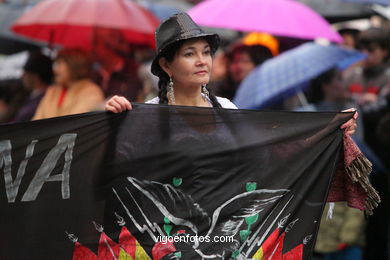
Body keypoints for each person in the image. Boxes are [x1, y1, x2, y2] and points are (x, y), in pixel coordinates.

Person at [105, 13, 357, 135]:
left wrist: (329, 128)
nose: (202, 61)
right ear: (167, 65)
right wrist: (114, 122)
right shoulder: (147, 115)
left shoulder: (225, 108)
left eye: (206, 52)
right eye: (190, 54)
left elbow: (269, 149)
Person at [33, 48, 104, 120]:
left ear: (73, 65)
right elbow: (36, 122)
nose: (55, 69)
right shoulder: (52, 91)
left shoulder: (92, 92)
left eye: (59, 64)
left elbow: (76, 122)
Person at [14, 51, 53, 122]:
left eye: (25, 73)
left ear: (35, 77)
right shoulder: (32, 96)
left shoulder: (44, 100)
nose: (22, 76)